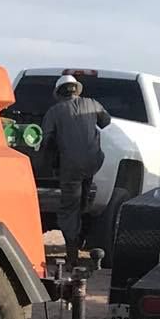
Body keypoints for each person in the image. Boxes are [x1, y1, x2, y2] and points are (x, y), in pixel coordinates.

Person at [40, 75, 110, 260]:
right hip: (93, 163)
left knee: (69, 208)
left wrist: (47, 163)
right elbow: (106, 121)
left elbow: (45, 140)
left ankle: (72, 253)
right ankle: (81, 231)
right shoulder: (93, 104)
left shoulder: (55, 111)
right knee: (81, 202)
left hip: (71, 167)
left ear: (59, 92)